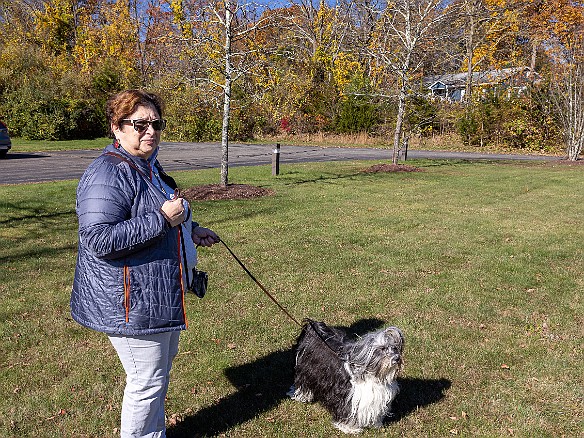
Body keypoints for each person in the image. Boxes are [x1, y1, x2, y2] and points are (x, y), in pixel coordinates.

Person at [70, 89, 219, 438]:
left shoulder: (148, 166)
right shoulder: (108, 173)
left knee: (157, 377)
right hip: (130, 301)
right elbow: (99, 239)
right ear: (117, 128)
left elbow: (157, 211)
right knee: (146, 382)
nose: (150, 131)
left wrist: (190, 228)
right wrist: (162, 221)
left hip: (156, 294)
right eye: (140, 124)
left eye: (156, 123)